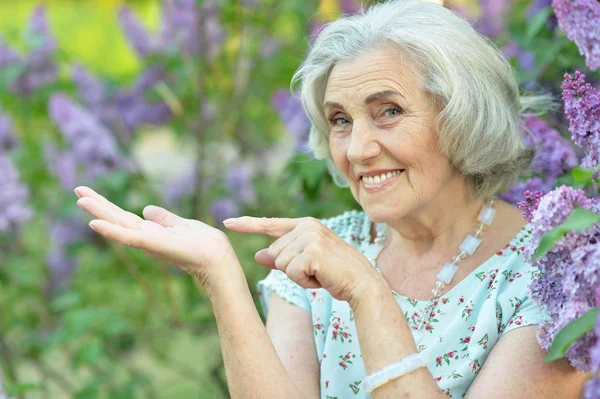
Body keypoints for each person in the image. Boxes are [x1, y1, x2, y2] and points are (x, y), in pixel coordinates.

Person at [75, 0, 589, 397]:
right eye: (340, 119)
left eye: (388, 111)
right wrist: (219, 274)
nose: (359, 149)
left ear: (463, 117)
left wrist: (369, 293)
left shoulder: (553, 278)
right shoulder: (320, 254)